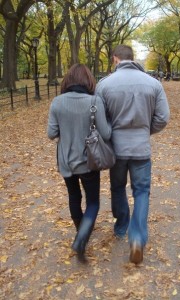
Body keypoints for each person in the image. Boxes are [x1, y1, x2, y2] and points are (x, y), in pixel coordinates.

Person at [96, 45, 170, 264]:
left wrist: (111, 134)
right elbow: (163, 117)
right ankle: (137, 237)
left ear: (115, 59)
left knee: (118, 187)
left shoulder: (104, 85)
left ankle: (121, 227)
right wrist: (146, 130)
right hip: (141, 149)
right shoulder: (153, 83)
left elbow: (99, 120)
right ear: (133, 58)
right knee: (141, 191)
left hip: (116, 150)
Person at [47, 64, 112, 262]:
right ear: (89, 81)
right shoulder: (95, 101)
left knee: (74, 197)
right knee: (93, 201)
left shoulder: (57, 102)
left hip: (66, 161)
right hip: (89, 161)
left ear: (67, 80)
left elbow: (51, 133)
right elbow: (107, 134)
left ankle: (79, 234)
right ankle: (82, 238)